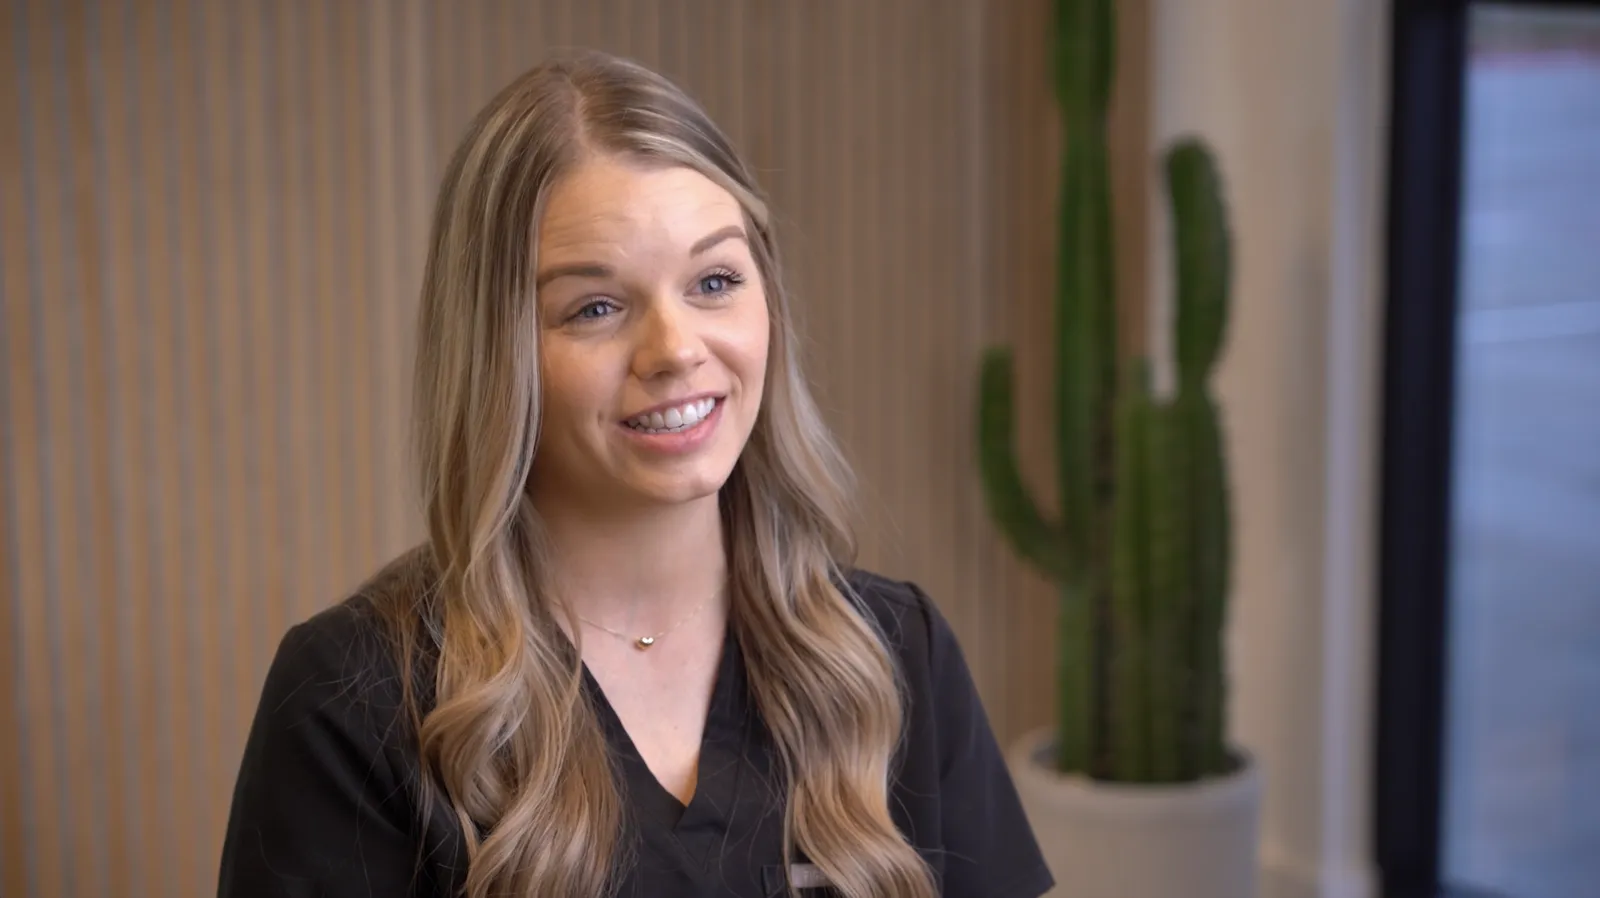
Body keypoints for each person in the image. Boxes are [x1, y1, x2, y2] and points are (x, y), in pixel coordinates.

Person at [216, 51, 1053, 898]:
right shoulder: (353, 697)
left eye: (715, 281)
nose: (677, 350)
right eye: (596, 308)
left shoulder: (894, 652)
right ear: (496, 354)